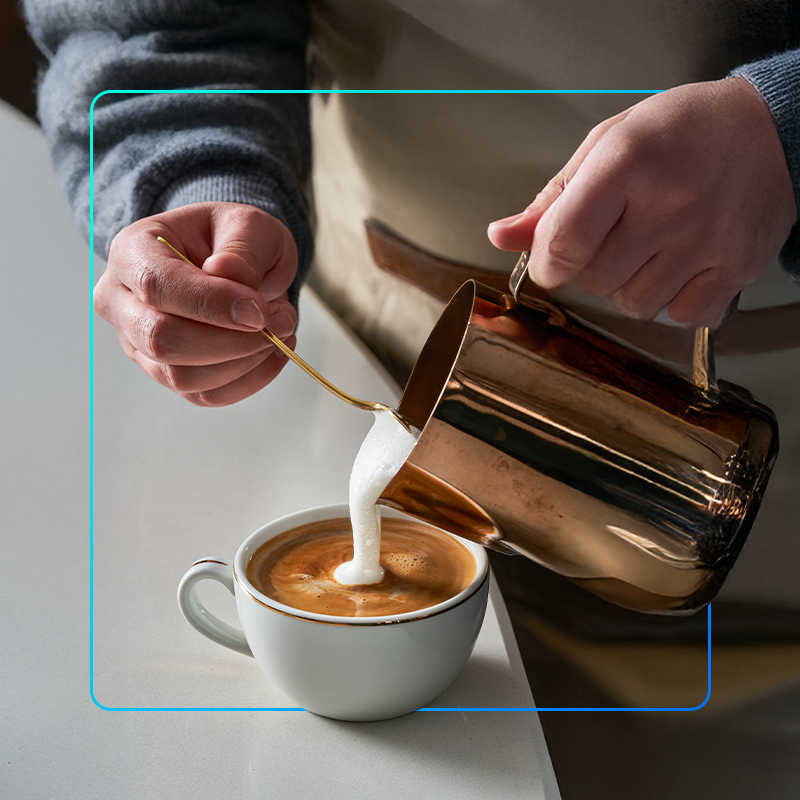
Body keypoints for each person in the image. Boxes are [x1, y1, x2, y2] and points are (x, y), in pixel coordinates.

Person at [23, 1, 800, 798]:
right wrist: (201, 187)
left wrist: (786, 126)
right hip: (380, 341)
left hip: (762, 554)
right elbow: (155, 26)